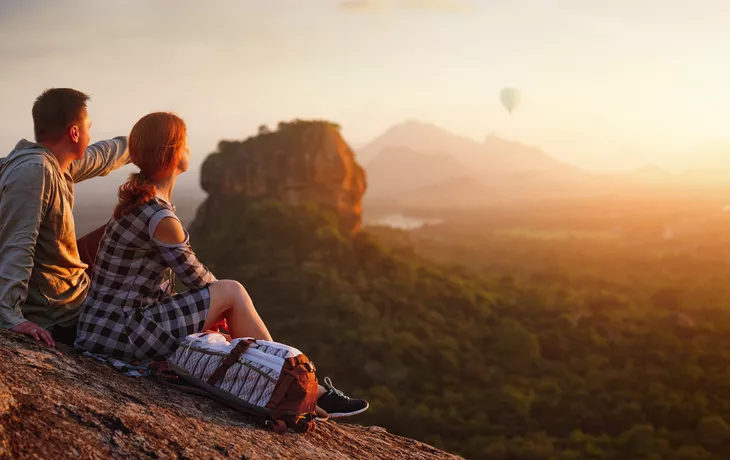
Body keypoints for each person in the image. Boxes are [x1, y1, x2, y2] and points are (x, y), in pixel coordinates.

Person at [74, 112, 368, 418]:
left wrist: (214, 314)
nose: (189, 150)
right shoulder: (159, 217)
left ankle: (298, 386)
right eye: (185, 145)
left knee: (223, 319)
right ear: (174, 154)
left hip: (103, 328)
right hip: (123, 333)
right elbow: (201, 280)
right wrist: (221, 308)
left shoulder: (137, 202)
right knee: (233, 291)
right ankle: (290, 379)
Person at [0, 88, 130, 347]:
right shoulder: (34, 172)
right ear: (74, 132)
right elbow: (17, 244)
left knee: (124, 226)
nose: (90, 134)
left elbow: (101, 156)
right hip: (58, 313)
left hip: (68, 285)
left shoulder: (51, 162)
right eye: (88, 127)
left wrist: (139, 143)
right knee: (141, 227)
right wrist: (9, 316)